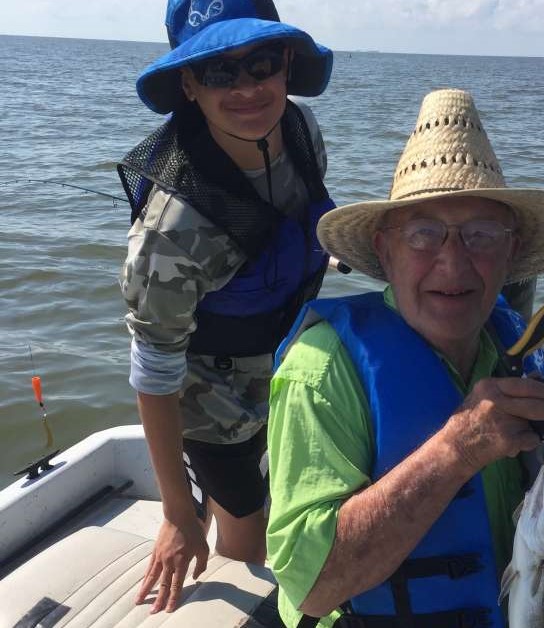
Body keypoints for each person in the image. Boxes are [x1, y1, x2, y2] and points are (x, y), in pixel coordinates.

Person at [266, 89, 544, 627]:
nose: (453, 264)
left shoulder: (514, 346)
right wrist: (458, 448)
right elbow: (310, 586)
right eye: (423, 234)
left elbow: (534, 501)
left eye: (481, 236)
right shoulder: (324, 369)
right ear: (384, 250)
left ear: (512, 253)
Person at [117, 0, 334, 614]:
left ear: (287, 63)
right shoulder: (170, 233)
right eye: (218, 72)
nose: (246, 88)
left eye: (260, 63)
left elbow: (300, 224)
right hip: (208, 399)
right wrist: (177, 513)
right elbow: (154, 370)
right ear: (188, 84)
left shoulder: (301, 130)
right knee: (249, 535)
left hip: (286, 354)